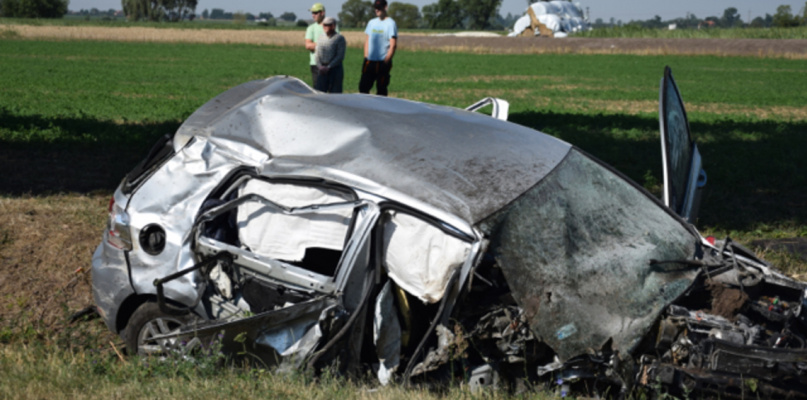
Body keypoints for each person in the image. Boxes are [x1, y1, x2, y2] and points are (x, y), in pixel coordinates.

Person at [359, 0, 397, 96]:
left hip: (382, 62)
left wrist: (386, 61)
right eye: (375, 8)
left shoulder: (390, 23)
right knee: (363, 87)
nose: (377, 10)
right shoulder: (371, 22)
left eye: (379, 8)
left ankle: (381, 110)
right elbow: (367, 41)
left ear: (385, 7)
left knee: (381, 89)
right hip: (370, 61)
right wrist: (365, 57)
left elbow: (393, 45)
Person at [315, 17, 346, 93]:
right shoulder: (320, 37)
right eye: (324, 25)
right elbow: (317, 53)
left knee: (335, 94)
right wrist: (320, 66)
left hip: (335, 69)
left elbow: (340, 56)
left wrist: (329, 67)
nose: (325, 27)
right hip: (322, 69)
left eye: (327, 25)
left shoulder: (339, 38)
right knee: (319, 93)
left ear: (333, 26)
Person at [305, 3, 328, 86]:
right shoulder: (311, 28)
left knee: (333, 93)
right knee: (318, 90)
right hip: (316, 64)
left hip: (331, 64)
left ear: (322, 13)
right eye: (312, 13)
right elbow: (308, 45)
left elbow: (337, 44)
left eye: (315, 13)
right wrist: (325, 44)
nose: (313, 15)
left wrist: (316, 45)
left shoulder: (333, 26)